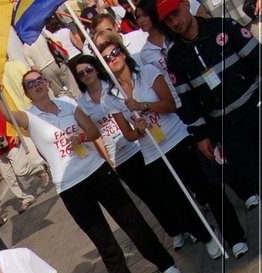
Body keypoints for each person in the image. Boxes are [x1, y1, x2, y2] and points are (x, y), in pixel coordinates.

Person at [0, 71, 180, 273]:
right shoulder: (30, 117)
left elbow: (93, 131)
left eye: (39, 80)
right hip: (70, 185)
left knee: (132, 220)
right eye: (30, 84)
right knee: (102, 239)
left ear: (47, 84)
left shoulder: (67, 105)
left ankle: (165, 264)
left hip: (97, 171)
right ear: (26, 92)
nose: (36, 85)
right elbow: (6, 114)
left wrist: (81, 137)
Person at [95, 31, 249, 258]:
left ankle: (234, 236)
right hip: (153, 153)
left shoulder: (147, 73)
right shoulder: (110, 97)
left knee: (208, 189)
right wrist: (137, 130)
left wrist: (143, 105)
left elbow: (169, 104)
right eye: (106, 58)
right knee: (177, 203)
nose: (113, 58)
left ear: (123, 53)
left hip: (177, 138)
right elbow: (126, 134)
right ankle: (207, 235)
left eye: (115, 52)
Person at [69, 53, 196, 249]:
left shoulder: (113, 88)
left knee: (167, 190)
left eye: (89, 69)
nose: (86, 74)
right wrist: (108, 161)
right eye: (81, 73)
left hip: (140, 145)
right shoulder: (83, 103)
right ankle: (174, 231)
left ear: (96, 68)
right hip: (120, 156)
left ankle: (190, 225)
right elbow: (97, 136)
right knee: (149, 197)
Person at [157, 0, 260, 207]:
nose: (175, 22)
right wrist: (201, 135)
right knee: (253, 175)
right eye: (168, 20)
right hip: (228, 128)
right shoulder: (176, 58)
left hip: (254, 108)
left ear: (186, 5)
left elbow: (258, 59)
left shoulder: (224, 27)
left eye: (176, 13)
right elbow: (187, 101)